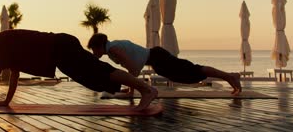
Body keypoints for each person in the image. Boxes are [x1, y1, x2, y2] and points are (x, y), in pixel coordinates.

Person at [0, 22, 158, 114]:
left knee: (99, 71)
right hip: (61, 48)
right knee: (94, 78)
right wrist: (6, 101)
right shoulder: (5, 43)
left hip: (60, 48)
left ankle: (147, 90)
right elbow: (15, 73)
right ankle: (146, 89)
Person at [87, 33, 242, 95]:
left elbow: (132, 69)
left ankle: (230, 76)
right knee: (189, 75)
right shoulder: (113, 47)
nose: (94, 53)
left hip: (158, 58)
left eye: (93, 49)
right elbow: (132, 69)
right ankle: (230, 76)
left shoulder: (113, 49)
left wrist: (132, 88)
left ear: (99, 46)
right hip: (157, 60)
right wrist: (131, 89)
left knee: (193, 71)